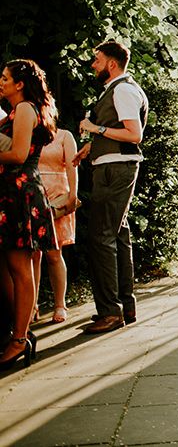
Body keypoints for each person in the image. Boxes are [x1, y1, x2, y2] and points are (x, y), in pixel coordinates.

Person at [73, 41, 148, 334]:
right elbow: (120, 131)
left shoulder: (123, 90)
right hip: (112, 165)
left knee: (100, 237)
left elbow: (134, 134)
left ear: (112, 64)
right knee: (118, 235)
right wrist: (92, 147)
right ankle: (124, 308)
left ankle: (110, 312)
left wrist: (95, 128)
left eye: (97, 60)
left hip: (115, 171)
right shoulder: (118, 90)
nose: (93, 64)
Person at [0, 59, 58, 369]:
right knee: (11, 266)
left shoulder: (24, 109)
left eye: (5, 77)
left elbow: (19, 154)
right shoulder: (19, 109)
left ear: (20, 84)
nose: (1, 81)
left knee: (19, 267)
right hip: (12, 193)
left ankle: (19, 339)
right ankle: (20, 330)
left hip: (19, 193)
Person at [33, 128, 78, 323]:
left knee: (54, 253)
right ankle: (31, 306)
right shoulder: (25, 133)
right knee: (32, 254)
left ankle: (60, 304)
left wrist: (73, 195)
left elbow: (72, 166)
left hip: (57, 196)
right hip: (33, 194)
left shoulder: (64, 136)